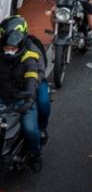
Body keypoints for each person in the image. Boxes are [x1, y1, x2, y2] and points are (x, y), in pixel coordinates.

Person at [0, 16, 49, 173]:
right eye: (6, 48)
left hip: (23, 97)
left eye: (12, 49)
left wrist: (28, 99)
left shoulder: (30, 57)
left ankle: (35, 154)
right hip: (4, 95)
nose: (9, 51)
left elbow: (33, 78)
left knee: (30, 129)